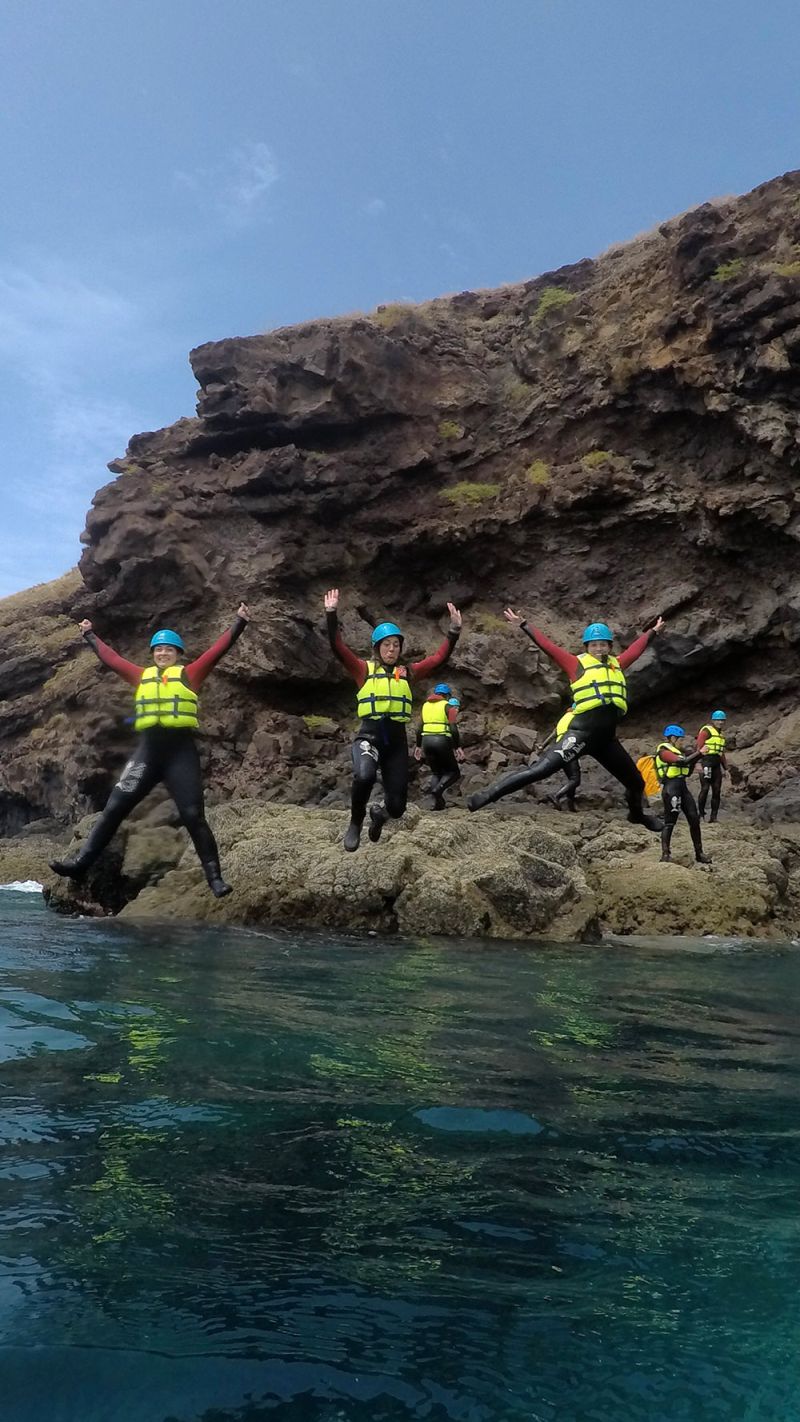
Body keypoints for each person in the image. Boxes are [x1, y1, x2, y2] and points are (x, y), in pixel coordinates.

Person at [49, 605, 250, 897]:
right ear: (153, 654)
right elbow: (112, 659)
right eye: (158, 650)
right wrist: (89, 635)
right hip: (148, 754)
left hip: (180, 754)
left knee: (193, 814)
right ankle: (81, 864)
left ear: (178, 654)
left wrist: (240, 622)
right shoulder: (141, 676)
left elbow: (218, 650)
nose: (163, 653)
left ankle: (215, 879)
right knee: (115, 808)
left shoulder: (190, 674)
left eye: (169, 650)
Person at [467, 612, 664, 830]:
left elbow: (636, 650)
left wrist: (653, 631)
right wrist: (524, 624)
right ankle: (486, 796)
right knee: (540, 770)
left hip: (606, 741)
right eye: (594, 645)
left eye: (603, 645)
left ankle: (637, 815)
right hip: (581, 735)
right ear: (587, 647)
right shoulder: (575, 665)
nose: (599, 649)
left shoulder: (616, 665)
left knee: (636, 782)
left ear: (609, 646)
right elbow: (549, 647)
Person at [324, 589, 462, 850]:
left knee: (398, 808)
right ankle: (356, 822)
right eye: (386, 645)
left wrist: (454, 631)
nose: (391, 649)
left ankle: (381, 816)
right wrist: (331, 614)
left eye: (395, 644)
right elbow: (337, 646)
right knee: (364, 776)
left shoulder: (407, 673)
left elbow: (438, 658)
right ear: (377, 648)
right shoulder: (363, 669)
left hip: (396, 743)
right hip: (369, 736)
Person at [655, 725, 711, 864]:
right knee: (670, 822)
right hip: (671, 789)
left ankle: (699, 853)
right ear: (672, 738)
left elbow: (688, 769)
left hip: (682, 788)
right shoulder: (663, 752)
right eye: (680, 739)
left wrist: (696, 759)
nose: (682, 742)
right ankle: (665, 854)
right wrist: (700, 753)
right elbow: (682, 762)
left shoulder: (680, 751)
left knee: (694, 819)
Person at [415, 683, 464, 810]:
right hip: (442, 741)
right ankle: (438, 790)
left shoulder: (425, 706)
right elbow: (453, 728)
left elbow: (419, 727)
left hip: (426, 741)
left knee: (436, 772)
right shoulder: (449, 707)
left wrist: (418, 746)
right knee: (454, 772)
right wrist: (457, 747)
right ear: (447, 695)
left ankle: (437, 805)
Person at [546, 707, 582, 811]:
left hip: (558, 747)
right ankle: (556, 796)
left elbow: (554, 732)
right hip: (568, 746)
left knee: (572, 778)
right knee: (575, 779)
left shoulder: (564, 718)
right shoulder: (575, 717)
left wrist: (542, 746)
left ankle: (571, 805)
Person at [696, 710, 728, 822]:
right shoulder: (706, 731)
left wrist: (726, 768)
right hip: (706, 762)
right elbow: (699, 747)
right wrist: (698, 762)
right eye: (718, 720)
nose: (720, 722)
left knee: (717, 790)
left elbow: (721, 753)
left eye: (722, 720)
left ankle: (713, 817)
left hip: (716, 764)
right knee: (705, 788)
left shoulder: (721, 735)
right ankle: (701, 815)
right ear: (713, 720)